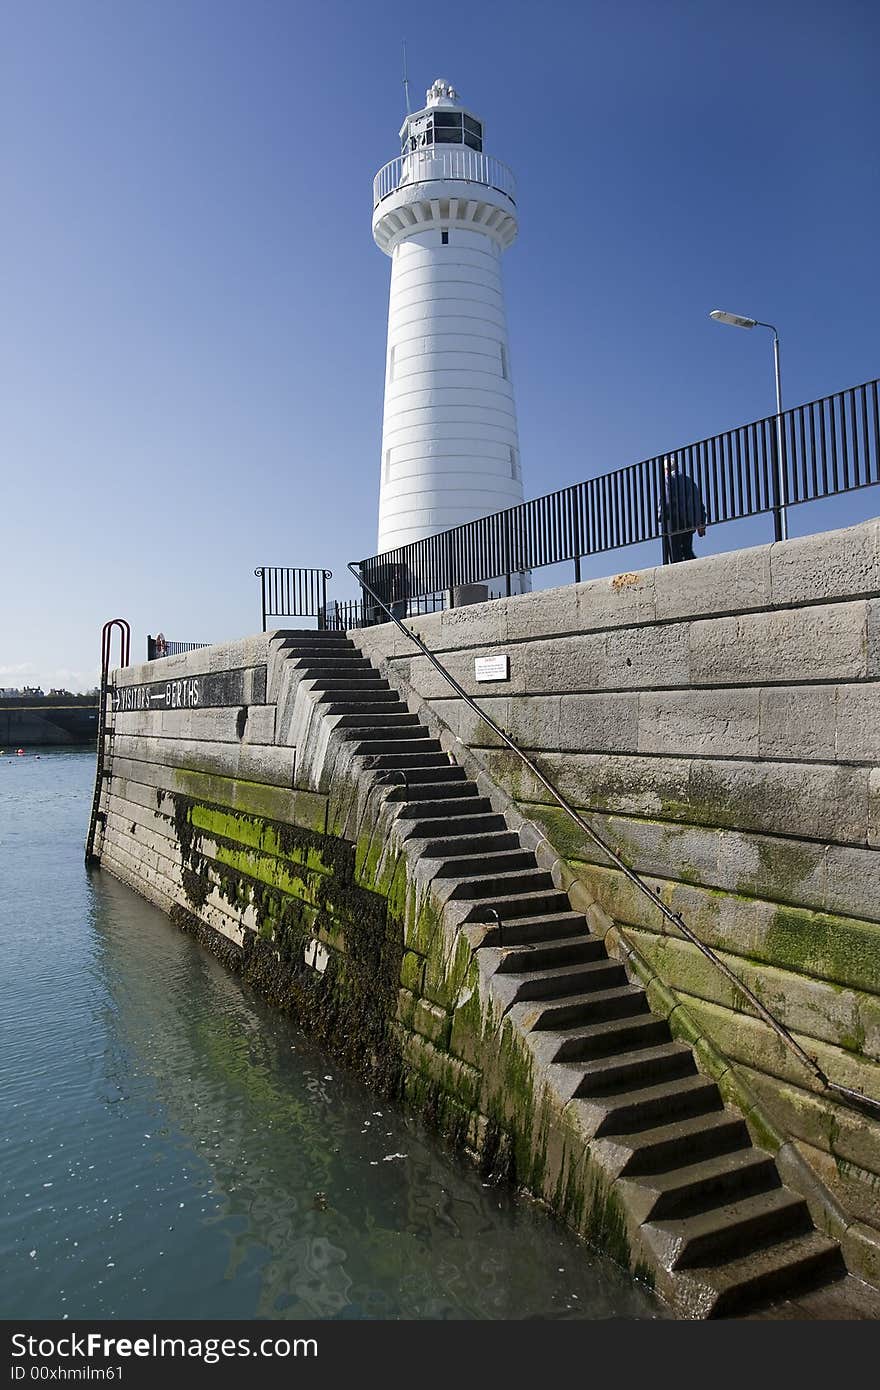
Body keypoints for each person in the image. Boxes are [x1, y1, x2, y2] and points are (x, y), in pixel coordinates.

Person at [659, 455, 706, 563]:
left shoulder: (668, 480)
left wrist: (661, 517)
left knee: (675, 553)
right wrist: (700, 523)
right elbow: (698, 503)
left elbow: (666, 501)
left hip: (673, 520)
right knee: (687, 549)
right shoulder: (689, 481)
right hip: (688, 521)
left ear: (666, 470)